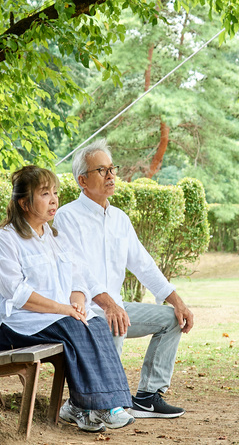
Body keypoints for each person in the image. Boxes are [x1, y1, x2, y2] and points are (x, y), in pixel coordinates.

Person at [0, 165, 135, 433]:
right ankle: (97, 406)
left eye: (55, 192)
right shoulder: (5, 240)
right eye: (44, 194)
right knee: (74, 325)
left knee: (95, 322)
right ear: (24, 202)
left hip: (50, 318)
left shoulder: (53, 236)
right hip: (15, 325)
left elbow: (78, 276)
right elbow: (18, 296)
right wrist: (64, 310)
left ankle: (87, 406)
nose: (54, 200)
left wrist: (77, 302)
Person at [53, 139, 195, 419]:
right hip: (83, 313)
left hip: (116, 307)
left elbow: (144, 265)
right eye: (102, 170)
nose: (111, 176)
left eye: (112, 169)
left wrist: (177, 301)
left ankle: (147, 396)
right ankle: (100, 403)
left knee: (170, 319)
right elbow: (77, 271)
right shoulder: (67, 217)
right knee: (113, 321)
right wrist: (107, 305)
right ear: (82, 180)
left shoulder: (119, 219)